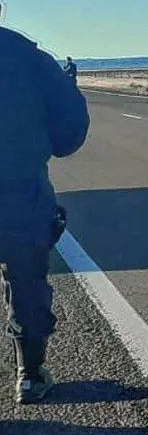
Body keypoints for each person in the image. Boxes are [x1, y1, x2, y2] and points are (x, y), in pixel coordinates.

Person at [0, 26, 89, 404]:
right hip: (19, 187)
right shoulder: (30, 60)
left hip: (20, 184)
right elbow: (70, 131)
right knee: (27, 280)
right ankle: (30, 375)